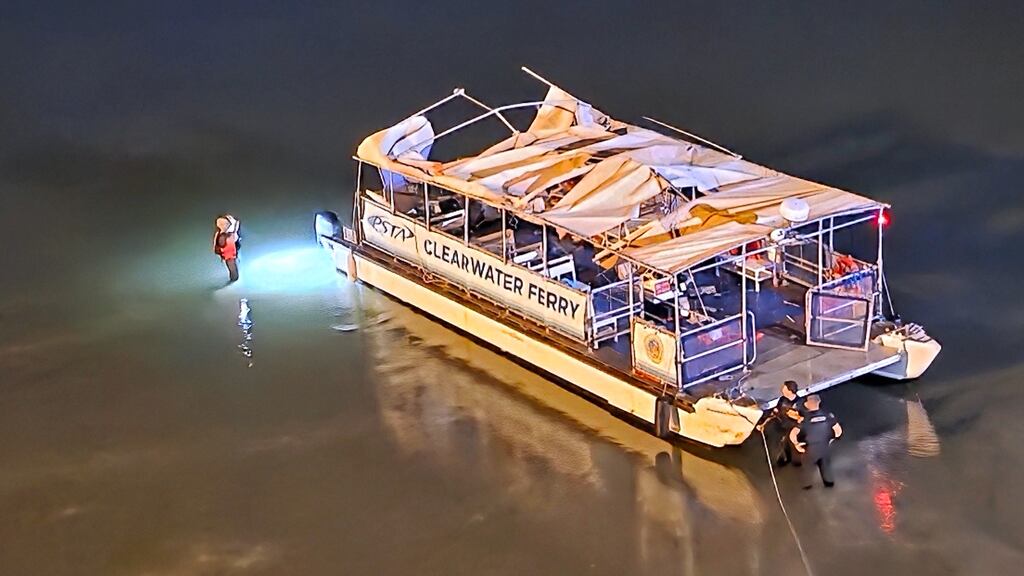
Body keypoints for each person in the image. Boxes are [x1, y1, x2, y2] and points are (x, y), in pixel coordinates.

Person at [789, 394, 843, 489]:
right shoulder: (828, 415)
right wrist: (831, 440)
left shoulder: (804, 419)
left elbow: (793, 434)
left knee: (808, 467)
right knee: (826, 465)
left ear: (808, 404)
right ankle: (829, 483)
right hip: (824, 447)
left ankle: (807, 485)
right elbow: (838, 431)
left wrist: (797, 445)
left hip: (810, 449)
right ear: (819, 402)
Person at [757, 380, 805, 467]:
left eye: (784, 388)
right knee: (777, 443)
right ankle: (781, 459)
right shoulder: (782, 399)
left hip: (792, 428)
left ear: (790, 391)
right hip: (781, 424)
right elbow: (775, 412)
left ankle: (791, 460)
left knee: (788, 445)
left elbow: (804, 419)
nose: (781, 389)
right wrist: (763, 424)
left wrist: (796, 417)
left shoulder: (800, 403)